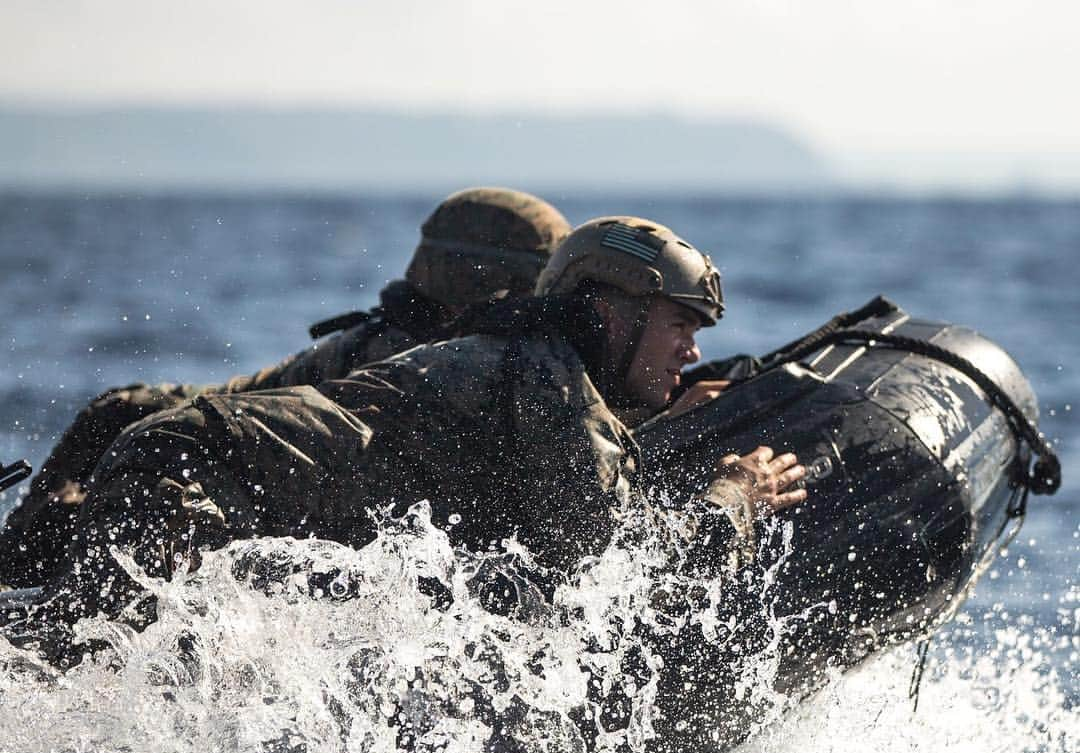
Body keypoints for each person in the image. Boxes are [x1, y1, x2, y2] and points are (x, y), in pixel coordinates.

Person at [23, 217, 805, 651]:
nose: (692, 350)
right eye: (679, 324)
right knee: (77, 674)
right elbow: (618, 571)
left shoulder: (525, 363)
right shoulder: (547, 381)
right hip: (190, 485)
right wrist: (736, 496)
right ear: (612, 310)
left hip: (186, 467)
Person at [0, 187, 572, 589]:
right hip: (280, 496)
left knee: (120, 416)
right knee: (121, 419)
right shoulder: (417, 353)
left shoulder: (399, 342)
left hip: (269, 481)